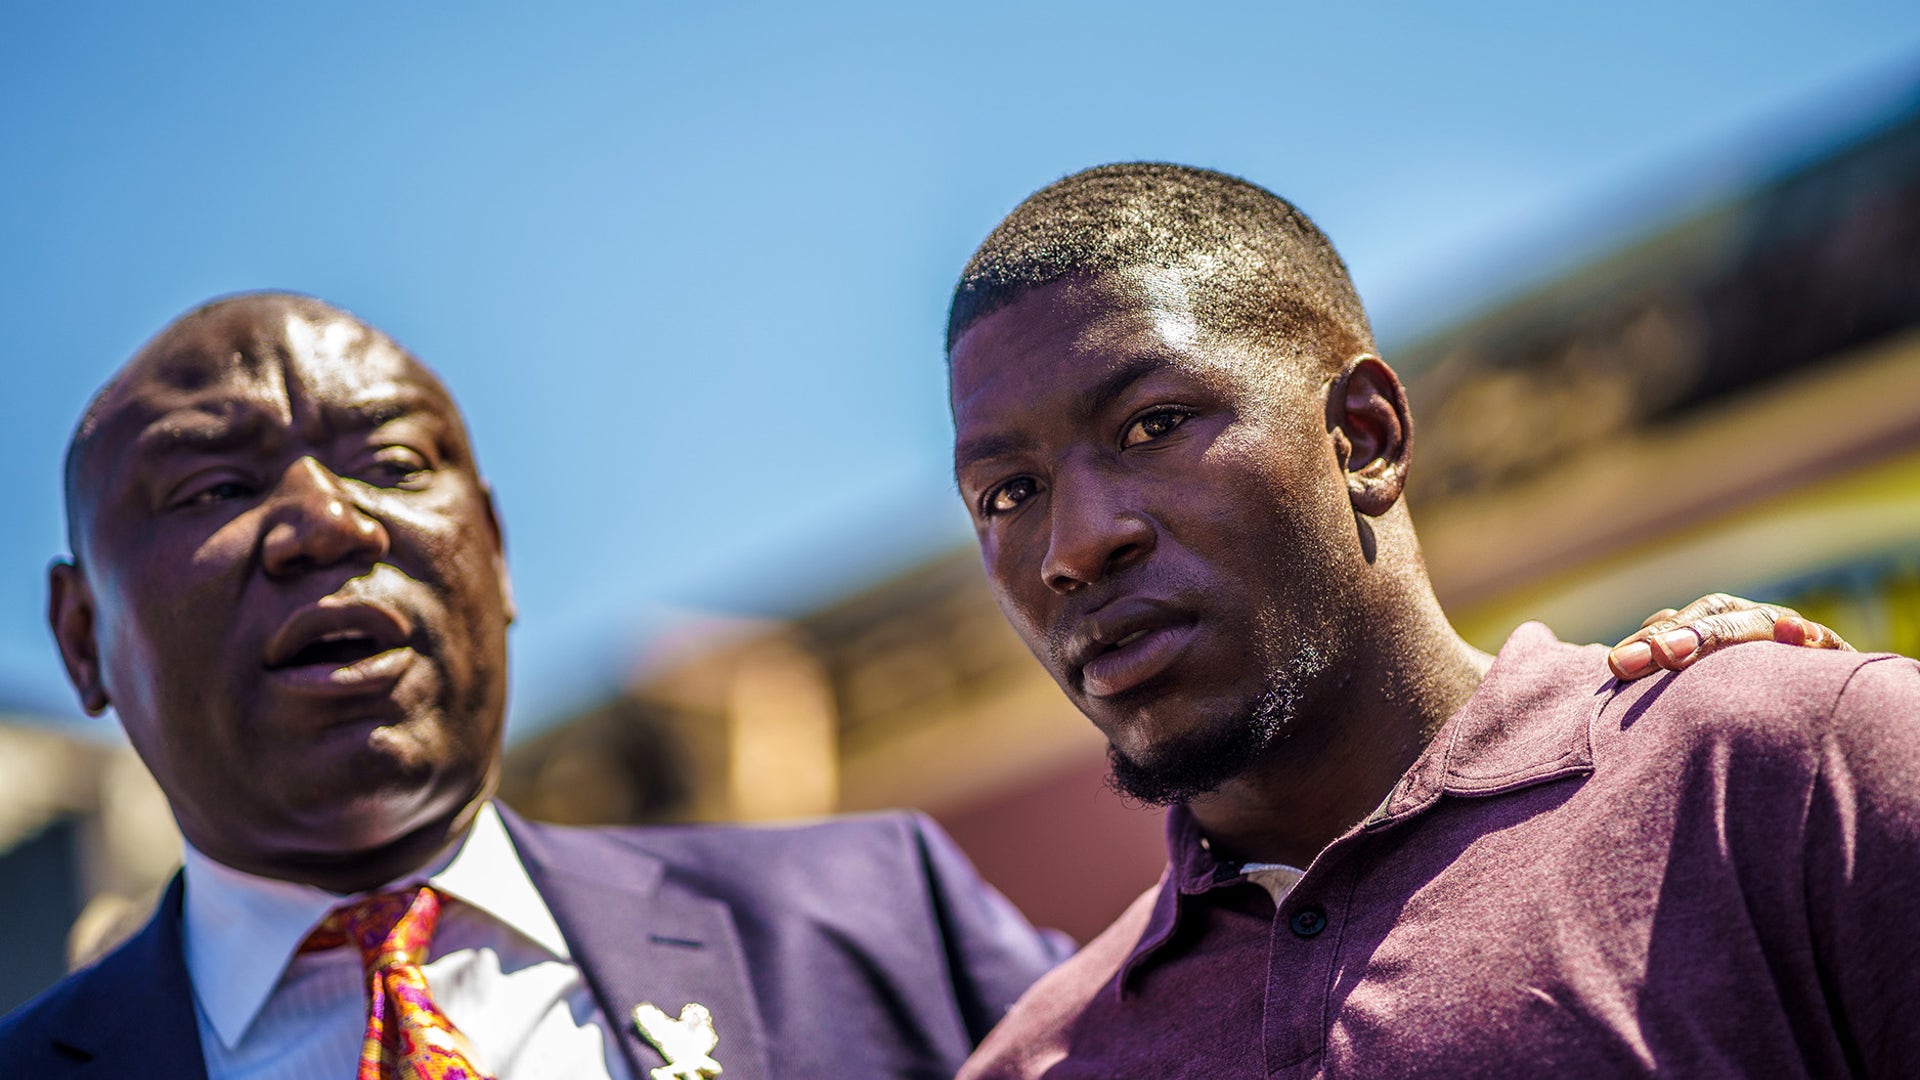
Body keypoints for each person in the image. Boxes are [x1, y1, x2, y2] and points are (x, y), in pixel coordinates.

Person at [946, 163, 1918, 1078]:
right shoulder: (1037, 1060)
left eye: (1152, 424)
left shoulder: (1784, 772)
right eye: (1007, 492)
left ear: (1363, 437)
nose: (1072, 546)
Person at [0, 293, 1071, 1080]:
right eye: (214, 487)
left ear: (498, 557)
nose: (329, 520)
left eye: (396, 464)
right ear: (83, 639)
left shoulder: (873, 912)